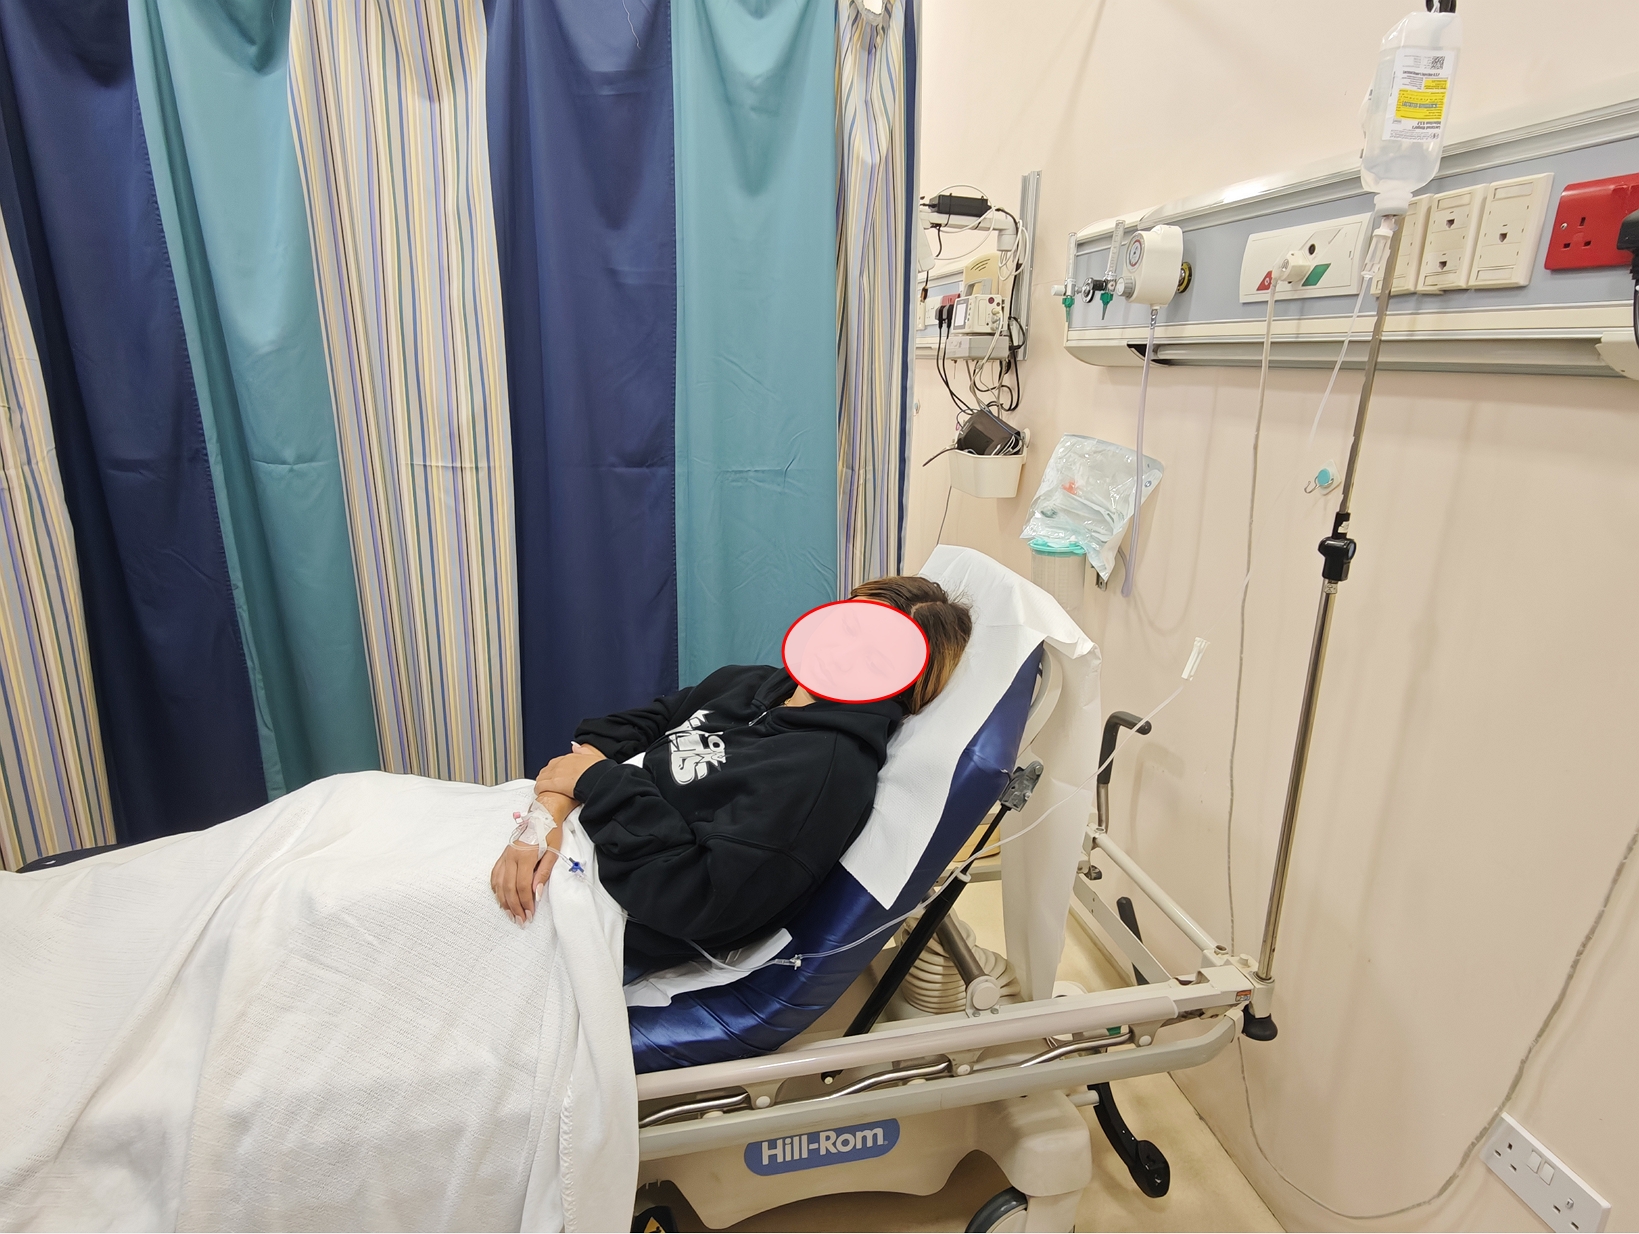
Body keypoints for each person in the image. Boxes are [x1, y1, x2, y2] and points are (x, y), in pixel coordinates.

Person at [490, 576, 973, 976]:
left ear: (902, 685)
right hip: (561, 829)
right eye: (850, 627)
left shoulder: (825, 773)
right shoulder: (752, 682)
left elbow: (698, 898)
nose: (842, 653)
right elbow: (617, 732)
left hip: (605, 908)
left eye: (875, 658)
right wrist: (548, 813)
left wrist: (597, 785)